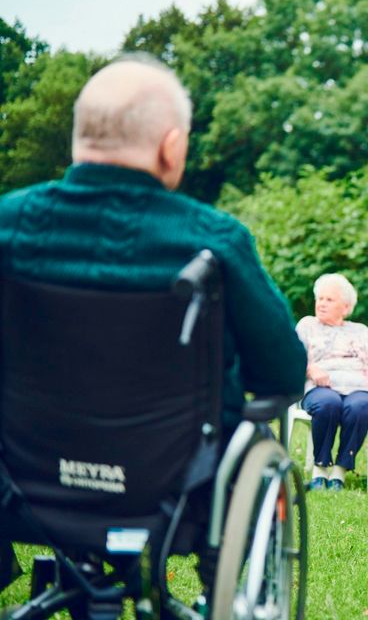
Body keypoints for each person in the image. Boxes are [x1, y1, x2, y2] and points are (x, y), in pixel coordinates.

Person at [0, 54, 307, 588]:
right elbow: (281, 373)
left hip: (20, 486)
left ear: (79, 138)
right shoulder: (215, 241)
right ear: (171, 146)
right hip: (180, 489)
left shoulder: (8, 227)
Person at [296, 273, 368, 492]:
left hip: (360, 388)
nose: (321, 303)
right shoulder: (307, 326)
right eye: (319, 298)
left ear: (346, 307)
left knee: (361, 407)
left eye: (329, 300)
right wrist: (310, 367)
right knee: (328, 404)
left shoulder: (361, 331)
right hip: (321, 388)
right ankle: (320, 470)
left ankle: (339, 473)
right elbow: (291, 360)